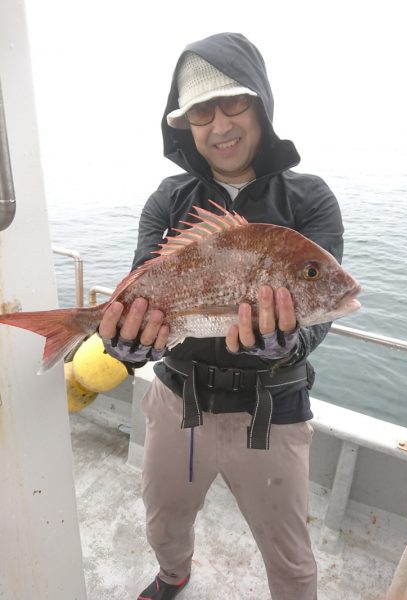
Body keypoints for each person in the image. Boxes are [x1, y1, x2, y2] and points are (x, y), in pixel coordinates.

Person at [99, 32, 344, 600]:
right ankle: (173, 575)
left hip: (272, 411)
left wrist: (286, 345)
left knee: (289, 555)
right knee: (163, 519)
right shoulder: (168, 198)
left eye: (233, 102)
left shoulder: (310, 199)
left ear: (260, 103)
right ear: (184, 124)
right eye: (201, 112)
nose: (220, 125)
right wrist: (131, 344)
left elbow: (321, 312)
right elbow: (144, 289)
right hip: (178, 401)